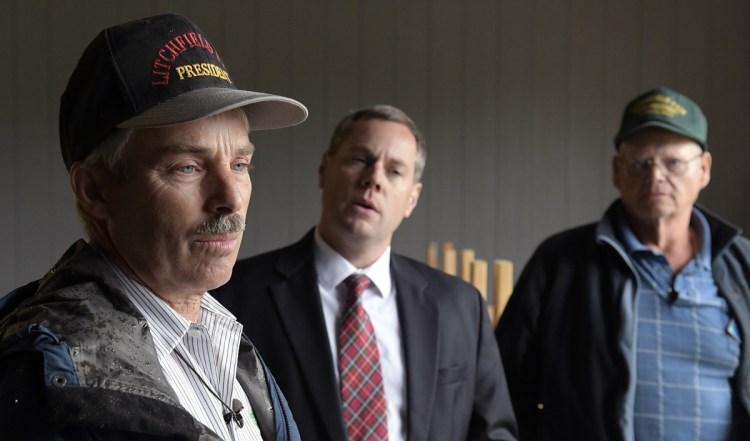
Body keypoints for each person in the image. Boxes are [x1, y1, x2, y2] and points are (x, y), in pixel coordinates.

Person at [0, 13, 309, 441]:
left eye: (240, 164)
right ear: (96, 190)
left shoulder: (221, 331)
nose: (231, 197)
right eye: (187, 166)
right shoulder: (51, 379)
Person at [214, 104, 519, 441]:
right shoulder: (235, 295)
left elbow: (494, 433)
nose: (373, 179)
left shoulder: (460, 306)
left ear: (412, 200)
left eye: (394, 171)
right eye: (360, 159)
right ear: (324, 169)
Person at [495, 86, 750, 441]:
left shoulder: (743, 266)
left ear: (704, 170)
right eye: (640, 164)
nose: (656, 176)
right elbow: (500, 390)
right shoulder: (561, 263)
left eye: (673, 163)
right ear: (618, 171)